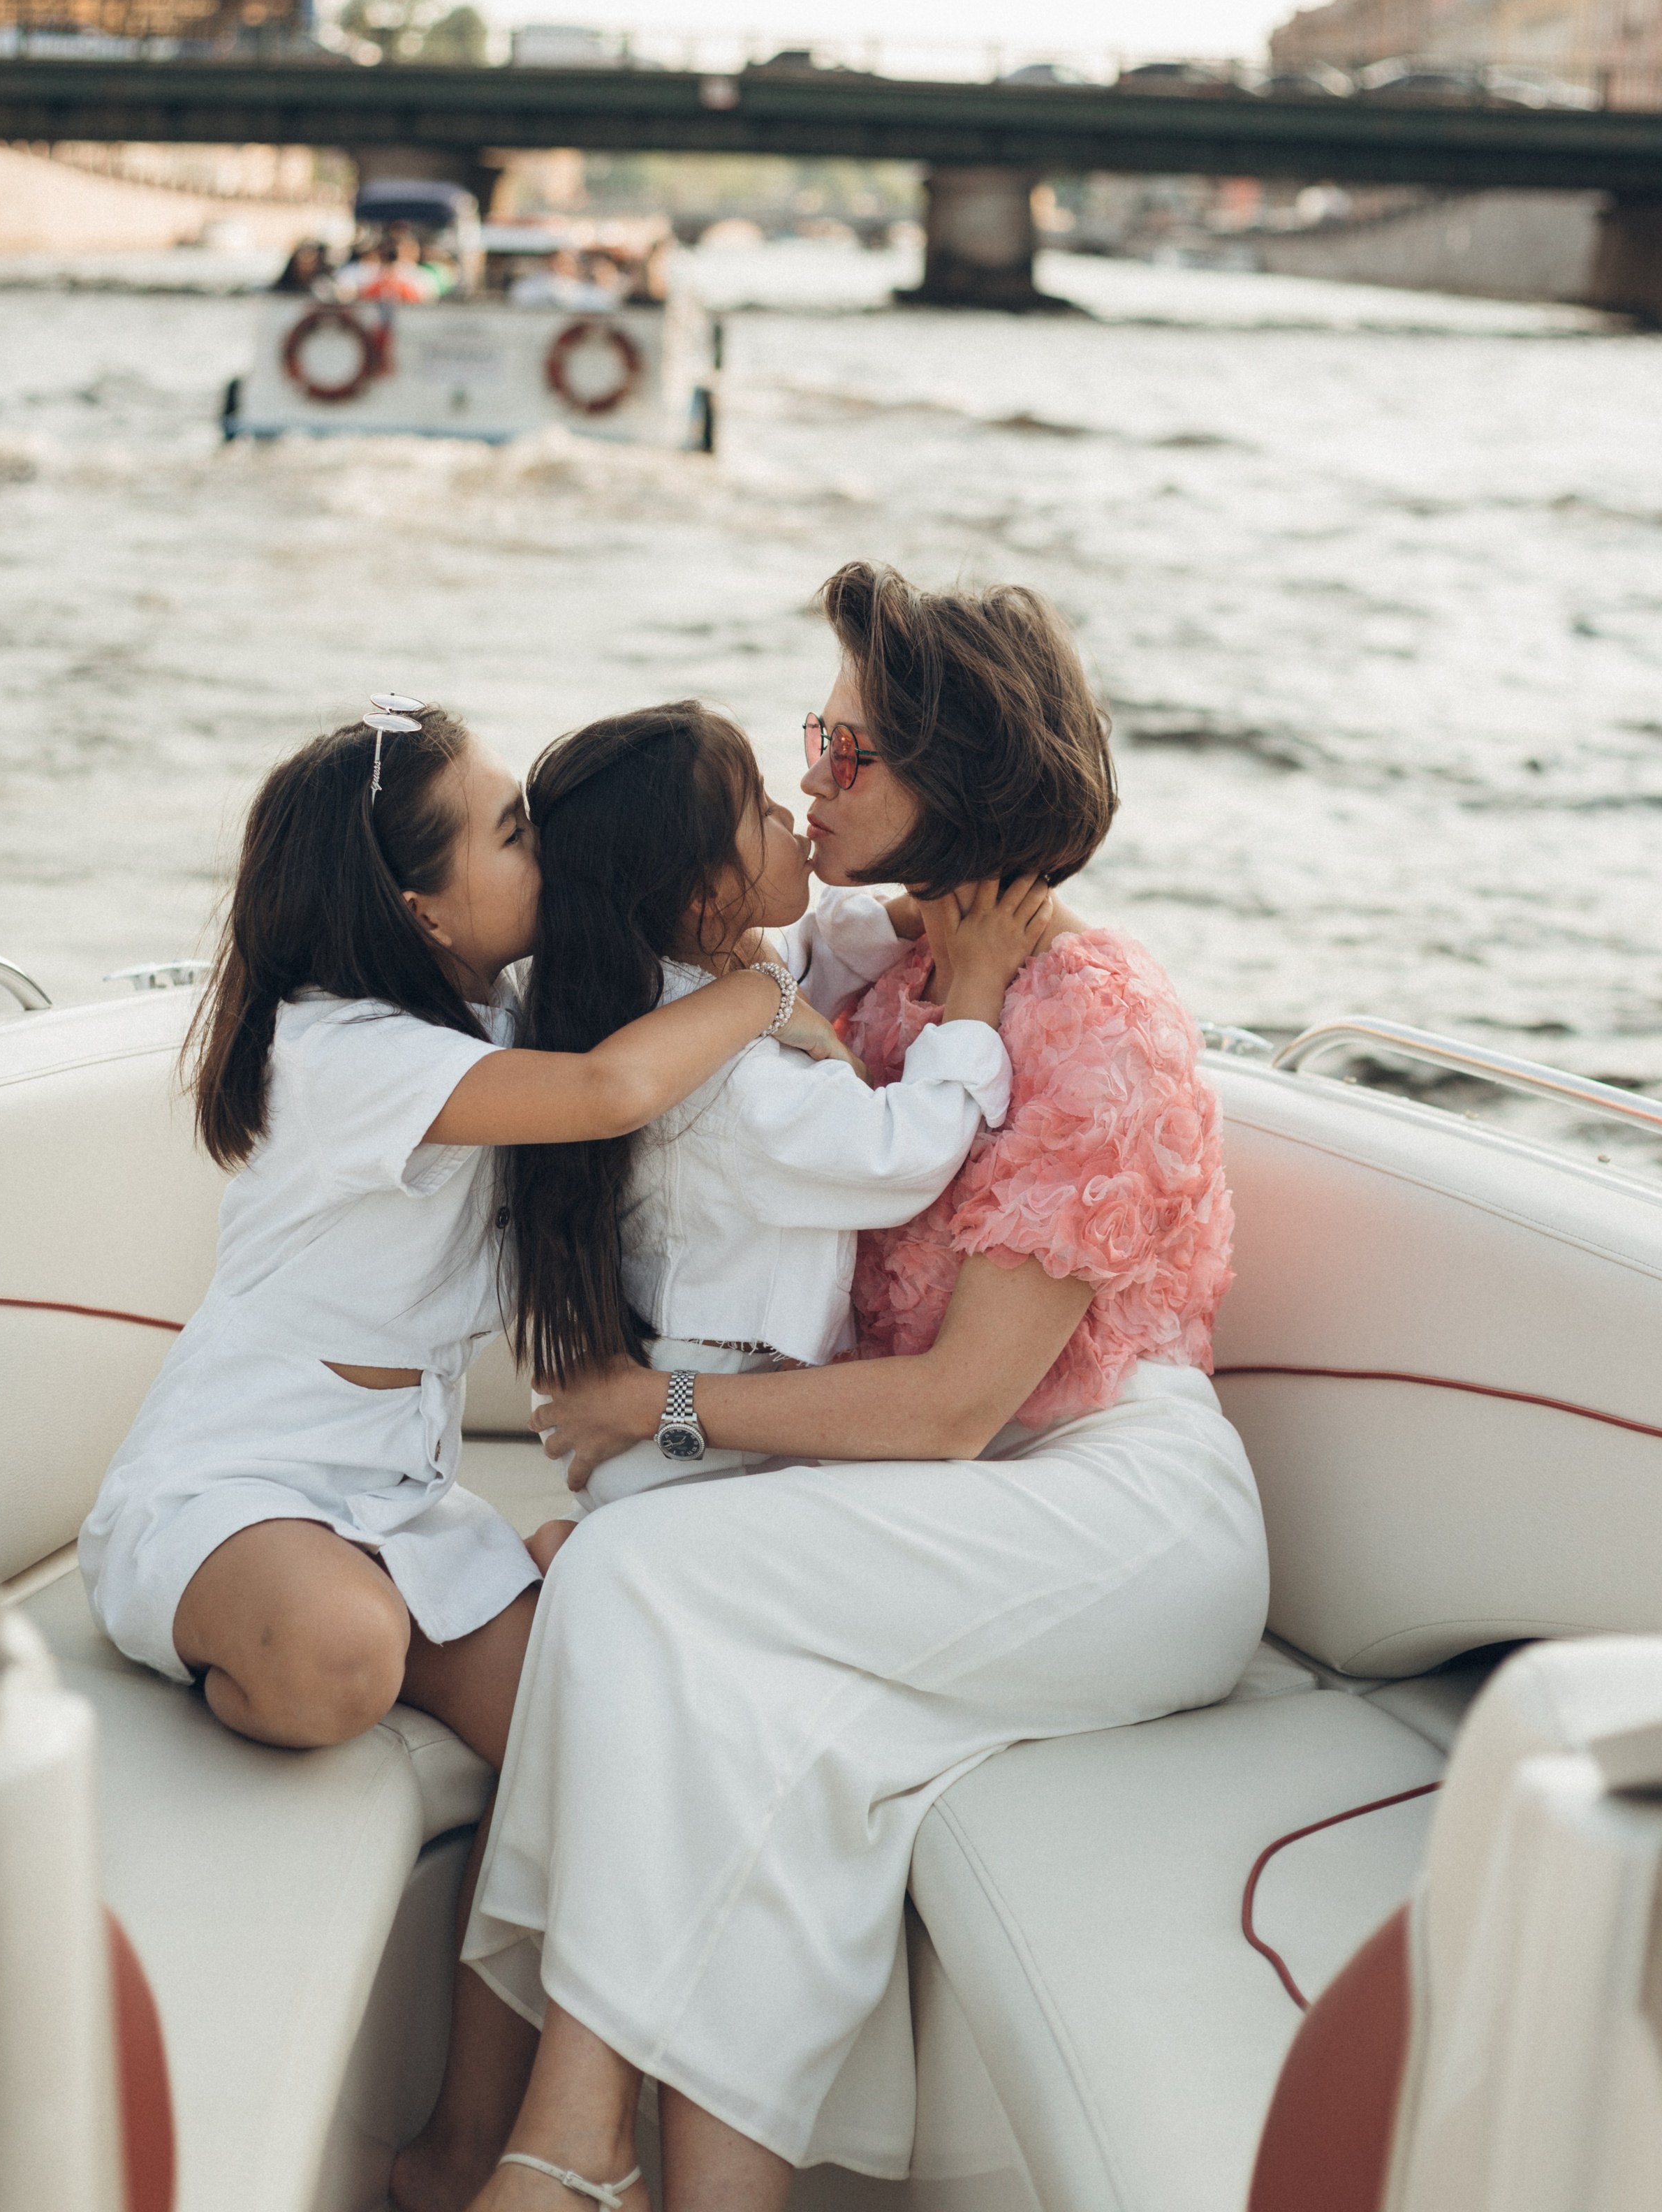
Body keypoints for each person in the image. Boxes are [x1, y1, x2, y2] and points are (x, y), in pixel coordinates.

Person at [396, 565, 1270, 2212]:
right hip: (932, 1502)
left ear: (965, 770)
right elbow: (655, 933)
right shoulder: (868, 974)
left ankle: (554, 2137)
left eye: (847, 748)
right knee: (714, 1682)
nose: (812, 775)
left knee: (641, 1573)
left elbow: (951, 1404)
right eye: (813, 737)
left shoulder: (1094, 1022)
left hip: (1113, 1510)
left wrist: (655, 1408)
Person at [78, 698, 858, 1770]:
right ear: (426, 913)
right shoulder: (340, 1053)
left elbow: (687, 946)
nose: (549, 844)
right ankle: (293, 1627)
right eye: (514, 832)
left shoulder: (493, 1016)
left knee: (608, 1727)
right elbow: (609, 1088)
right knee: (339, 1655)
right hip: (237, 1487)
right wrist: (768, 996)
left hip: (402, 1506)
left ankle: (419, 1603)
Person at [499, 701, 1045, 1530]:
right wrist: (973, 993)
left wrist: (928, 913)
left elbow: (813, 946)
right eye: (757, 808)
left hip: (706, 1413)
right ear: (704, 896)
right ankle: (567, 1565)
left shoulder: (659, 978)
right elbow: (899, 1157)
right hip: (705, 1445)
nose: (790, 810)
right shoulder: (735, 1090)